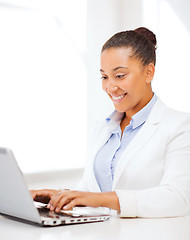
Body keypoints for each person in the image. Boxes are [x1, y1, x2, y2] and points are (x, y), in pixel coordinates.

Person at [31, 27, 190, 218]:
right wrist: (62, 196)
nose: (110, 87)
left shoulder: (180, 127)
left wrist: (98, 199)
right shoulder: (102, 128)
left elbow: (178, 199)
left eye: (120, 76)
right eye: (104, 77)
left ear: (149, 72)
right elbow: (91, 191)